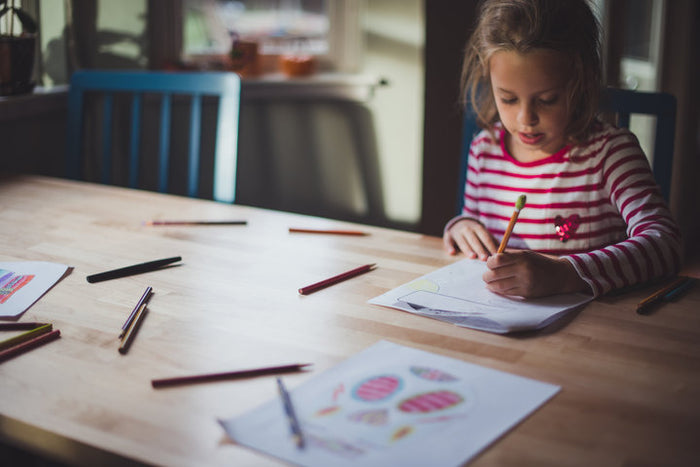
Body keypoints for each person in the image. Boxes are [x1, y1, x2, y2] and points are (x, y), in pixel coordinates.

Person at [442, 0, 681, 298]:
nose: (525, 119)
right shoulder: (484, 150)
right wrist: (462, 225)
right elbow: (473, 223)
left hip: (589, 332)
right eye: (508, 99)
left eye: (547, 99)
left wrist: (568, 274)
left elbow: (665, 245)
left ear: (579, 82)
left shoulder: (610, 154)